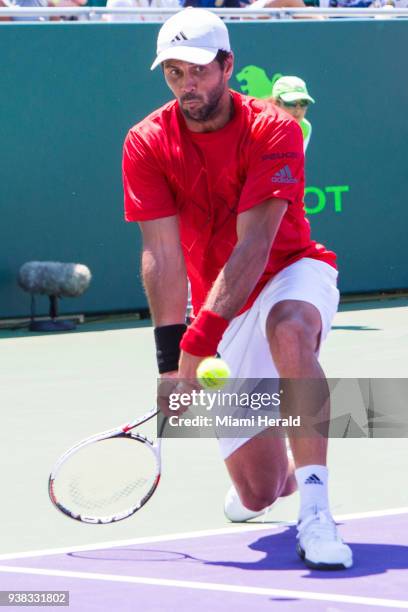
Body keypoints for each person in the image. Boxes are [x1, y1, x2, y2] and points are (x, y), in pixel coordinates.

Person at [122, 7, 353, 570]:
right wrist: (170, 364)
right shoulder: (146, 142)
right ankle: (283, 466)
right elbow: (163, 257)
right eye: (174, 73)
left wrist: (199, 342)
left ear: (228, 65)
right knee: (259, 491)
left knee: (290, 329)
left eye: (198, 70)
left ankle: (318, 513)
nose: (187, 84)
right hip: (221, 303)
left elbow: (254, 249)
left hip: (291, 269)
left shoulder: (274, 128)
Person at [270, 75, 315, 152]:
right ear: (277, 104)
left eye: (303, 103)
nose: (298, 110)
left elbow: (294, 163)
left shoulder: (305, 128)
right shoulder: (258, 126)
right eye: (292, 103)